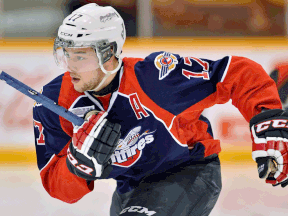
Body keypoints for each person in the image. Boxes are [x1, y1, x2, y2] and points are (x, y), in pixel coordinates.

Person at [33, 3, 288, 216]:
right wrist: (77, 166)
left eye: (80, 56)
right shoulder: (53, 102)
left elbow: (235, 73)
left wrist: (267, 118)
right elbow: (59, 189)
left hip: (187, 171)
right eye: (66, 54)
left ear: (108, 54)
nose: (70, 66)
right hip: (130, 188)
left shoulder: (157, 76)